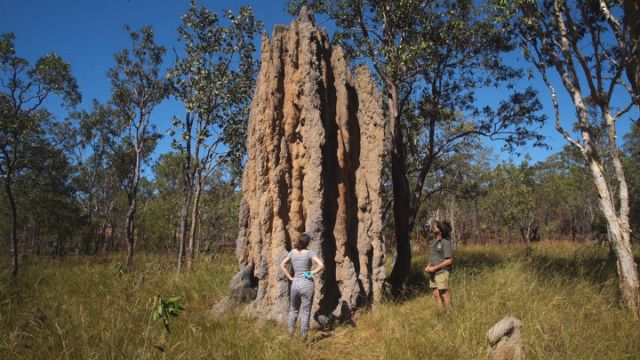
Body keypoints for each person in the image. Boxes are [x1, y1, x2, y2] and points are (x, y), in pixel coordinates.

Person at [280, 232, 324, 339]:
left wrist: (290, 278)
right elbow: (321, 265)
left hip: (295, 283)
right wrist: (310, 273)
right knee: (306, 311)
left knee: (293, 310)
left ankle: (290, 333)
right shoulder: (310, 253)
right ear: (307, 242)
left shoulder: (292, 252)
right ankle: (303, 337)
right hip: (307, 283)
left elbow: (282, 265)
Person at [424, 220, 453, 311]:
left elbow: (449, 261)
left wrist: (435, 268)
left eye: (436, 227)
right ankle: (440, 313)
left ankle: (449, 314)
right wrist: (428, 266)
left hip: (441, 272)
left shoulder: (445, 243)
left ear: (441, 230)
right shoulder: (434, 243)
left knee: (443, 294)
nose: (434, 228)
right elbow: (433, 256)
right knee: (436, 294)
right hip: (433, 273)